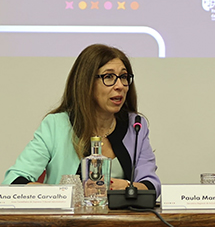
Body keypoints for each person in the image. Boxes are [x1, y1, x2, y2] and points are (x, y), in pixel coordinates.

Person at [2, 44, 160, 196]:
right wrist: (66, 194)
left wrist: (127, 186)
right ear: (87, 83)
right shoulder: (56, 125)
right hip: (69, 215)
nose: (120, 86)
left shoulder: (136, 126)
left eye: (123, 77)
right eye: (108, 77)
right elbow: (12, 182)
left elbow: (151, 185)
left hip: (123, 215)